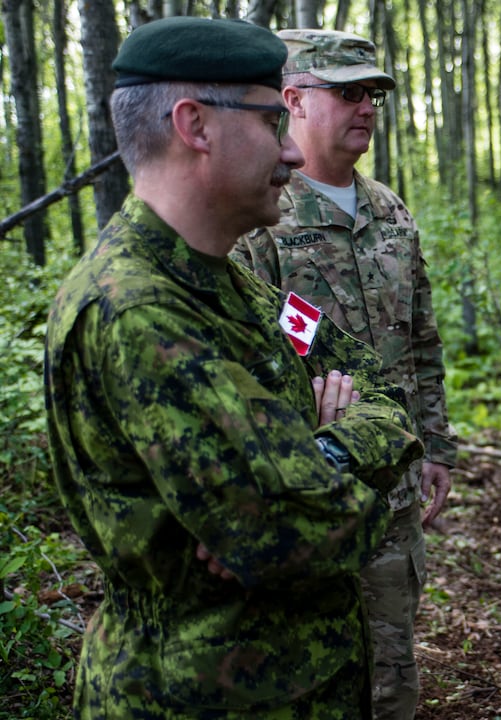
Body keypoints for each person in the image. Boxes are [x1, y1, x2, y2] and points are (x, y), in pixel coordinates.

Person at [43, 17, 423, 717]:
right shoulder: (140, 313)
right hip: (200, 694)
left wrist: (324, 454)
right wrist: (320, 480)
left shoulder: (230, 283)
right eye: (273, 121)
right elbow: (297, 531)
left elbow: (378, 386)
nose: (292, 151)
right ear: (196, 125)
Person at [232, 28, 456, 719]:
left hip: (391, 485)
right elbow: (240, 365)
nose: (365, 107)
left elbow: (420, 340)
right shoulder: (258, 218)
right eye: (348, 92)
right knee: (304, 669)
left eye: (373, 95)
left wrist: (435, 446)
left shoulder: (391, 211)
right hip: (306, 486)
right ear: (293, 100)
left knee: (392, 665)